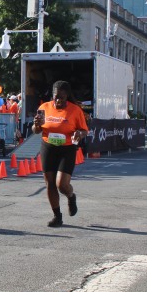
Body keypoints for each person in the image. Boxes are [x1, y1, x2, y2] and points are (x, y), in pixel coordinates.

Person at [32, 80, 89, 228]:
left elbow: (84, 130)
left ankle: (71, 196)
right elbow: (36, 131)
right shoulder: (44, 108)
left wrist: (79, 133)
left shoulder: (75, 110)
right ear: (52, 95)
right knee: (50, 183)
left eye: (62, 98)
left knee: (62, 185)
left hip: (67, 149)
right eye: (56, 97)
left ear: (67, 96)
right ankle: (57, 216)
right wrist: (36, 125)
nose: (58, 100)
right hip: (48, 147)